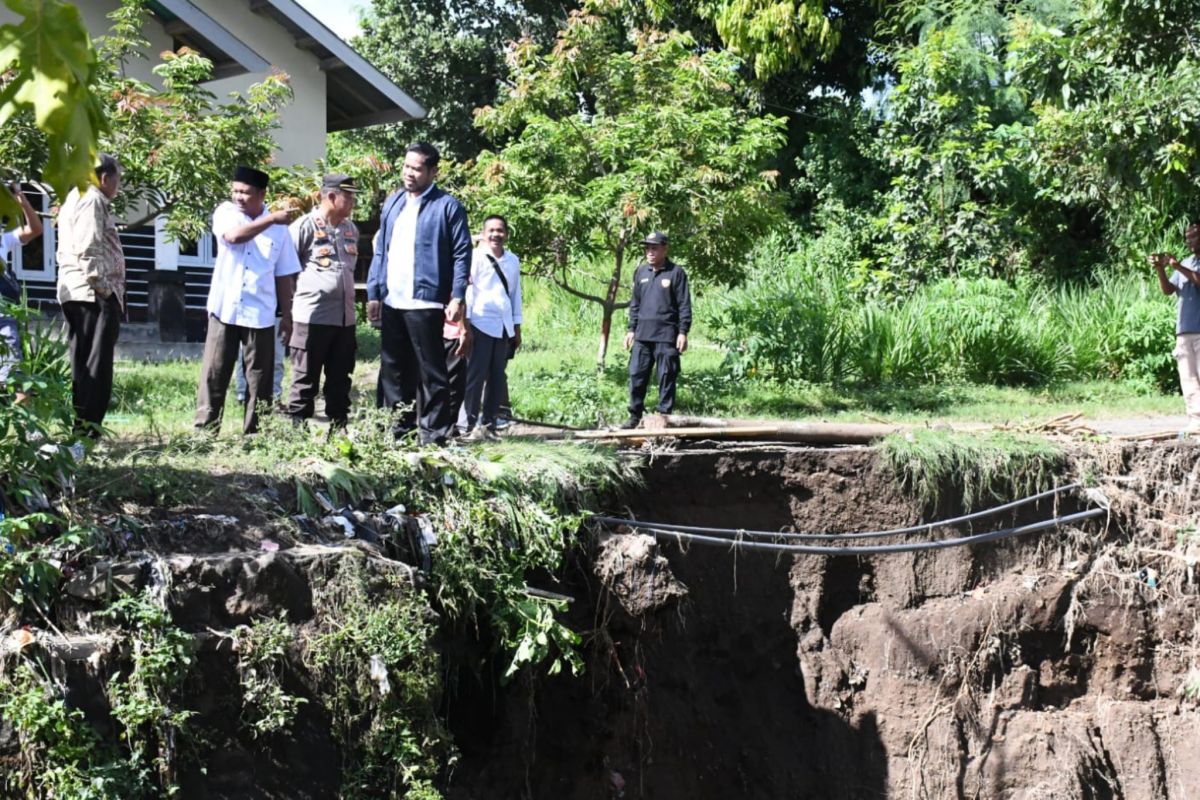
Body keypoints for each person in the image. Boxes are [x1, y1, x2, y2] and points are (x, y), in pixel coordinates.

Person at [366, 142, 471, 445]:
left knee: (431, 373)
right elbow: (380, 251)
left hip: (424, 300)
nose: (409, 173)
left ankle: (435, 436)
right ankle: (400, 433)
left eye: (417, 168)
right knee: (394, 371)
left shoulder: (447, 205)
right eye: (406, 166)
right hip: (392, 300)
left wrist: (457, 295)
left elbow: (462, 253)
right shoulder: (394, 202)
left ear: (432, 171)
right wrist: (374, 292)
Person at [195, 166, 300, 435]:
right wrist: (272, 220)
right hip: (225, 309)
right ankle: (205, 432)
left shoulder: (280, 231)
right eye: (235, 191)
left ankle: (255, 434)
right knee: (215, 372)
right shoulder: (226, 213)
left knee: (260, 378)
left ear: (262, 194)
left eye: (246, 192)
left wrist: (287, 316)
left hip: (260, 313)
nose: (239, 196)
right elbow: (233, 237)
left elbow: (284, 275)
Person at [56, 154, 125, 439]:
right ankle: (88, 433)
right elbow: (89, 248)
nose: (118, 186)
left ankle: (82, 431)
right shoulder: (92, 198)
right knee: (96, 366)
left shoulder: (76, 196)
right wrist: (105, 290)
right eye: (117, 179)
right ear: (104, 177)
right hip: (91, 292)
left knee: (84, 364)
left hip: (80, 291)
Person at [285, 174, 362, 429]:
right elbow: (286, 271)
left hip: (345, 319)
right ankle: (298, 428)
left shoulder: (351, 230)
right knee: (305, 376)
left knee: (340, 377)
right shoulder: (304, 226)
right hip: (311, 318)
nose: (352, 202)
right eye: (348, 197)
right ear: (331, 196)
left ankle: (338, 427)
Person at [622, 231, 691, 429]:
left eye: (654, 248)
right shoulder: (641, 272)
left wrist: (683, 331)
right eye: (647, 248)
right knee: (636, 374)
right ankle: (635, 416)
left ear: (664, 248)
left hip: (666, 336)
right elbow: (635, 304)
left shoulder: (676, 272)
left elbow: (684, 304)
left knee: (666, 376)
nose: (650, 252)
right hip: (643, 335)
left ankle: (664, 417)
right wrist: (631, 329)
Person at [462, 214, 522, 439]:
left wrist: (517, 327)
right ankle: (467, 425)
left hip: (503, 325)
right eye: (492, 231)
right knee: (475, 376)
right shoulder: (475, 257)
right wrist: (465, 326)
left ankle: (489, 424)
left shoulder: (513, 260)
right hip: (480, 322)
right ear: (484, 233)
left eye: (500, 230)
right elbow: (468, 291)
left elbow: (516, 294)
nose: (496, 234)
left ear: (506, 234)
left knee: (498, 376)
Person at [1152, 221, 1200, 434]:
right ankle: (1196, 422)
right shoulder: (1187, 262)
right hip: (1184, 330)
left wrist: (1178, 266)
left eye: (1194, 236)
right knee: (1188, 379)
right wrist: (1160, 269)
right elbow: (1168, 290)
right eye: (1188, 237)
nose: (1190, 241)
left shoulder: (1186, 265)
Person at [0, 183, 43, 397]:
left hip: (3, 313)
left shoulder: (3, 238)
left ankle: (26, 425)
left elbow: (35, 229)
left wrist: (22, 200)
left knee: (14, 368)